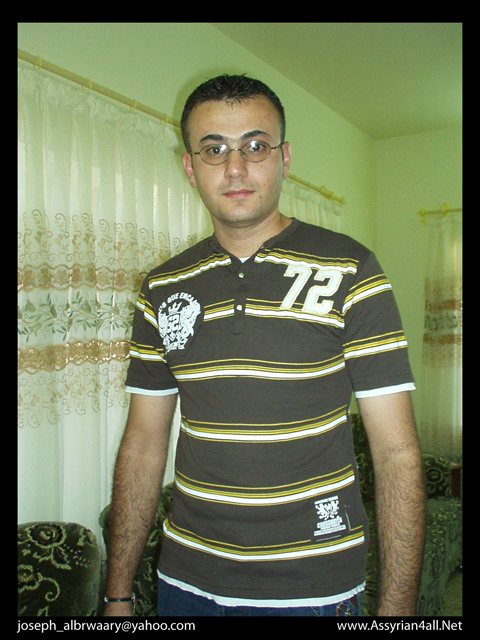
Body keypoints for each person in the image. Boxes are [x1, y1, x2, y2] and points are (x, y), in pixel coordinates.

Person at [103, 74, 425, 618]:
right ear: (190, 167)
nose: (235, 167)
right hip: (185, 580)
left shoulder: (351, 270)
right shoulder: (162, 287)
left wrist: (398, 610)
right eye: (214, 149)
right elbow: (142, 446)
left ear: (284, 158)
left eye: (255, 146)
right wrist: (117, 595)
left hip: (313, 586)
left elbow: (396, 453)